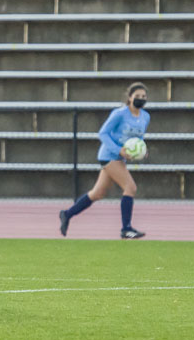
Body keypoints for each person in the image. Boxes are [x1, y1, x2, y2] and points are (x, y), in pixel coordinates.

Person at [58, 82, 149, 239]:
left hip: (120, 158)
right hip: (108, 155)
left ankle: (67, 214)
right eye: (137, 96)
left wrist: (142, 150)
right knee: (130, 187)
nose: (141, 99)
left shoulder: (145, 117)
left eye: (144, 97)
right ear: (130, 97)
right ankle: (126, 229)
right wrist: (118, 149)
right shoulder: (119, 114)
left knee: (97, 193)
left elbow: (138, 138)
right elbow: (103, 133)